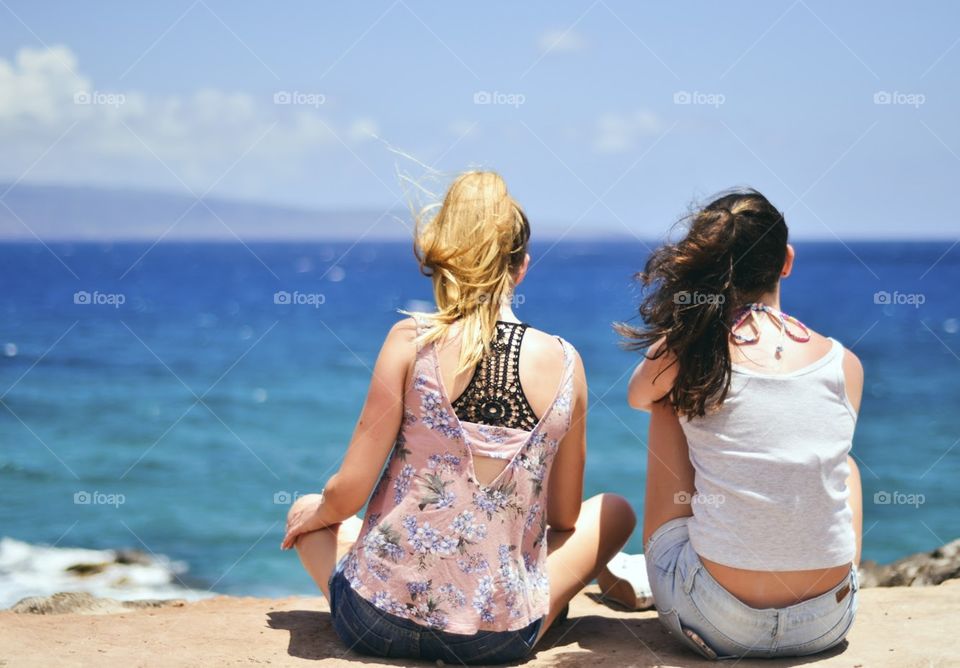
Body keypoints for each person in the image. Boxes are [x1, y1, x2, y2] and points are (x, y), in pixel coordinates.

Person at [282, 171, 635, 664]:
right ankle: (519, 601)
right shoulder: (567, 361)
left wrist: (312, 515)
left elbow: (349, 492)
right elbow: (564, 518)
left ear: (441, 263)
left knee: (310, 510)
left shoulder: (411, 340)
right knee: (615, 509)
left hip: (376, 624)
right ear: (522, 267)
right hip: (498, 639)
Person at [621, 189, 863, 659]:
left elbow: (637, 397)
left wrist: (689, 356)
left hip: (718, 620)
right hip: (826, 622)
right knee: (846, 466)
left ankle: (658, 570)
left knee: (670, 400)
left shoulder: (686, 352)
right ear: (786, 261)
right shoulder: (844, 364)